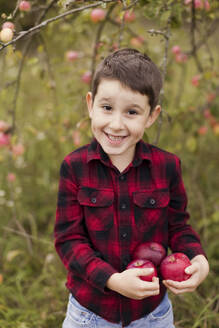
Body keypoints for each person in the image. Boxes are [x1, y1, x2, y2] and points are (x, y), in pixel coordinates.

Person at [54, 48, 209, 328]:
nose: (116, 124)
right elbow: (68, 240)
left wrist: (197, 258)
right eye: (107, 108)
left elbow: (178, 226)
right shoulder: (74, 167)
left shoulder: (167, 166)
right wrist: (112, 280)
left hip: (151, 315)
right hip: (90, 313)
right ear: (90, 104)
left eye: (132, 112)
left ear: (151, 116)